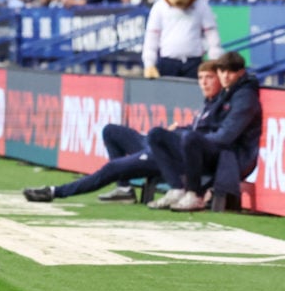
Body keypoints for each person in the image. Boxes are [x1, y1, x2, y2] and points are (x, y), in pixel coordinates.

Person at [23, 61, 223, 203]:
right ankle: (124, 189)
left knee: (111, 168)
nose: (204, 82)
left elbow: (204, 141)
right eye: (201, 78)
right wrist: (179, 129)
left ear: (220, 79)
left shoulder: (221, 108)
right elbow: (196, 130)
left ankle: (54, 192)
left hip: (166, 156)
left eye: (209, 78)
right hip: (159, 145)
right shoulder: (208, 104)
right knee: (111, 131)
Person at [147, 51, 263, 212]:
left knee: (191, 139)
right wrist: (181, 133)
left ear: (241, 73)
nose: (226, 76)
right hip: (214, 149)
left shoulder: (245, 97)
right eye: (222, 71)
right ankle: (177, 188)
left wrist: (193, 139)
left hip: (233, 156)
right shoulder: (226, 92)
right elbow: (205, 126)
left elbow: (226, 136)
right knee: (157, 135)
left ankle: (194, 194)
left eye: (231, 72)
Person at [142, 0, 223, 79]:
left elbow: (211, 34)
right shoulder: (159, 7)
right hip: (168, 61)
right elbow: (151, 38)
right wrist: (149, 63)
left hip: (194, 61)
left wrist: (215, 59)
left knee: (194, 96)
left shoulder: (201, 6)